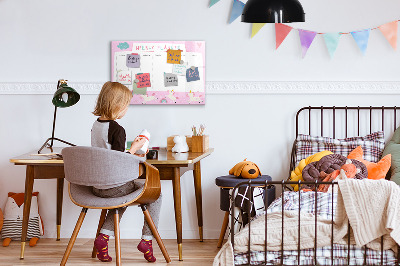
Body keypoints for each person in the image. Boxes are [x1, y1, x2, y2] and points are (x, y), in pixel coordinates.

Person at [91, 81, 161, 263]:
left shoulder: (96, 125)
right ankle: (147, 240)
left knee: (121, 198)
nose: (127, 109)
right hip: (114, 186)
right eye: (126, 105)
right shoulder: (117, 129)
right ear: (117, 105)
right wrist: (135, 149)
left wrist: (130, 149)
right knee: (156, 194)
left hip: (97, 186)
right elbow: (118, 161)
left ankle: (103, 238)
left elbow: (108, 154)